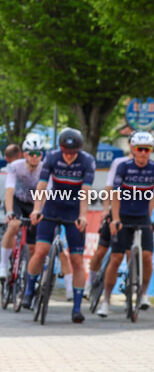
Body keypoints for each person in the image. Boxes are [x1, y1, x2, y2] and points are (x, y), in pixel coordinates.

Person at [26, 128, 95, 322]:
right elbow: (41, 185)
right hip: (52, 207)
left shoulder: (87, 160)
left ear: (79, 150)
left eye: (73, 153)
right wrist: (37, 209)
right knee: (40, 251)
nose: (69, 156)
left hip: (73, 210)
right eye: (66, 152)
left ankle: (77, 308)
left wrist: (83, 215)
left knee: (76, 260)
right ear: (61, 148)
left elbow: (86, 191)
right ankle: (29, 291)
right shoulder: (52, 157)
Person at [96, 131, 154, 318]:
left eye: (147, 149)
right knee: (116, 258)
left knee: (147, 257)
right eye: (139, 149)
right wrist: (115, 219)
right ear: (133, 149)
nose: (143, 152)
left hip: (142, 217)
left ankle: (143, 294)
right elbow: (115, 195)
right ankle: (106, 300)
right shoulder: (123, 167)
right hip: (123, 216)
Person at [2, 135, 46, 279]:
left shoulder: (45, 169)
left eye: (38, 153)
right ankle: (3, 265)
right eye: (31, 154)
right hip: (18, 201)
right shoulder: (16, 166)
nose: (34, 157)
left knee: (33, 247)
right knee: (14, 225)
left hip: (35, 204)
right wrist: (9, 212)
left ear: (41, 155)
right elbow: (9, 191)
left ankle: (29, 279)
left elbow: (45, 193)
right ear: (25, 155)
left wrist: (38, 211)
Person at [87, 150, 131, 292]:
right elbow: (109, 187)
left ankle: (131, 282)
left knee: (129, 252)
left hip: (134, 213)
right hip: (116, 210)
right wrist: (106, 209)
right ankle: (90, 282)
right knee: (102, 250)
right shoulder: (119, 163)